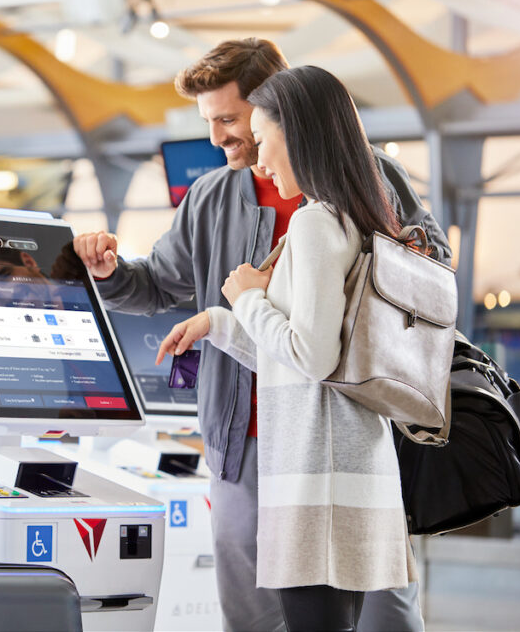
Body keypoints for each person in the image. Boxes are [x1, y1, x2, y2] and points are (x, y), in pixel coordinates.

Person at [72, 39, 450, 632]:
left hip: (343, 430)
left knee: (385, 611)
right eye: (209, 122)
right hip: (242, 436)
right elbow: (157, 286)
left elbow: (429, 274)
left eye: (230, 118)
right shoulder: (210, 197)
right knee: (259, 615)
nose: (219, 137)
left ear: (277, 104)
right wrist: (111, 273)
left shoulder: (365, 180)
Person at [157, 65, 418, 631]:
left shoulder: (314, 225)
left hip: (314, 480)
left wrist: (249, 298)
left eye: (261, 133)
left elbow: (313, 357)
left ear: (294, 133)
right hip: (347, 471)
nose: (260, 159)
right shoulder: (354, 217)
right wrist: (219, 324)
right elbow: (307, 363)